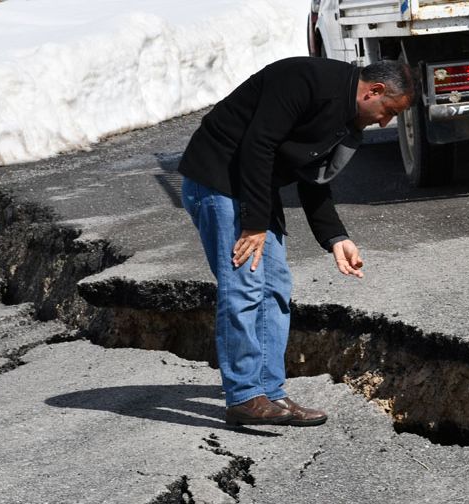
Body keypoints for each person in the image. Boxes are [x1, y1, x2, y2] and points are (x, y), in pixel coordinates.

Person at [177, 56, 415, 426]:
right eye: (387, 112)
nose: (384, 122)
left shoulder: (343, 114)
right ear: (374, 91)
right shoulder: (307, 79)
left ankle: (270, 393)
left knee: (275, 287)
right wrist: (255, 224)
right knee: (244, 286)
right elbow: (258, 144)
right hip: (219, 180)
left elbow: (313, 176)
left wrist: (336, 237)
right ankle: (243, 396)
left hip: (253, 188)